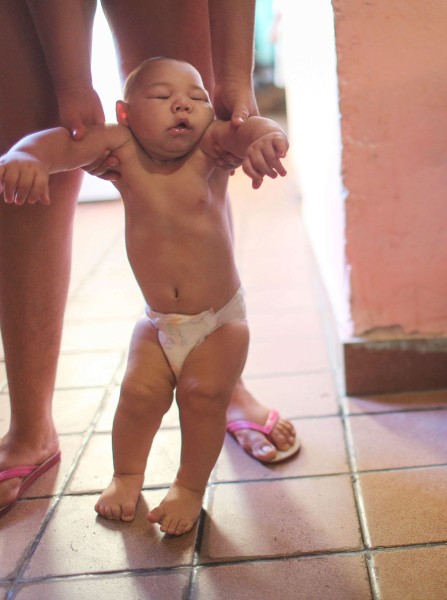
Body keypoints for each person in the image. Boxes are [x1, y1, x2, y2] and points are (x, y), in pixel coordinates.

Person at [0, 0, 296, 521]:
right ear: (125, 114)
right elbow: (59, 145)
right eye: (162, 98)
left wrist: (260, 130)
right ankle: (120, 476)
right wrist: (28, 155)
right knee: (135, 400)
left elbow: (246, 127)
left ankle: (187, 485)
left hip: (218, 324)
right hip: (158, 323)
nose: (183, 106)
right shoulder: (121, 146)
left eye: (196, 98)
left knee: (203, 396)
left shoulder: (210, 145)